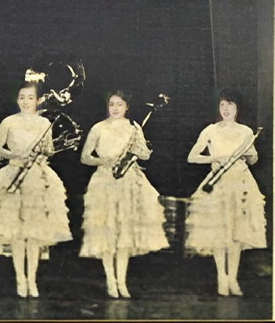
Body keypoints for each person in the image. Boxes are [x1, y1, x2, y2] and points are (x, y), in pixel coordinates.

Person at [0, 82, 72, 298]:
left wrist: (42, 153)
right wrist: (14, 155)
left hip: (37, 178)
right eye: (22, 97)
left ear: (38, 100)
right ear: (17, 99)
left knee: (33, 234)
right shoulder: (9, 122)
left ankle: (32, 279)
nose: (25, 102)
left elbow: (49, 150)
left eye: (30, 98)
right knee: (17, 233)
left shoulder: (45, 123)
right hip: (14, 175)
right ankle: (20, 279)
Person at [78, 90, 169, 299]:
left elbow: (144, 156)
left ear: (127, 107)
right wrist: (104, 161)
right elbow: (85, 157)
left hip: (128, 181)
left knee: (124, 234)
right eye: (112, 104)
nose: (115, 108)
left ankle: (122, 281)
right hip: (105, 181)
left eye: (119, 104)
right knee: (108, 232)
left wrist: (141, 149)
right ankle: (111, 281)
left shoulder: (134, 127)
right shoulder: (98, 128)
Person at [185, 88, 266, 297]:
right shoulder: (211, 130)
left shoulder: (246, 132)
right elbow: (192, 157)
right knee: (220, 233)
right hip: (217, 183)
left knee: (236, 233)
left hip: (241, 183)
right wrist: (215, 158)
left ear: (237, 108)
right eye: (222, 104)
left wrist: (249, 155)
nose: (225, 109)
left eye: (230, 104)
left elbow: (253, 158)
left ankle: (233, 279)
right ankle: (222, 277)